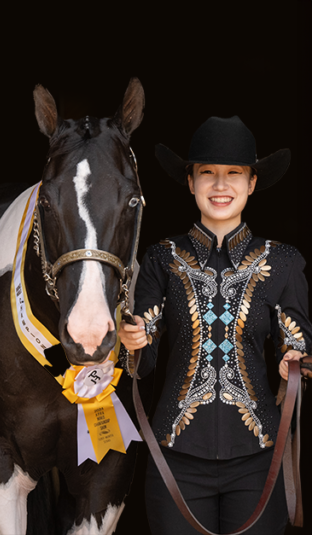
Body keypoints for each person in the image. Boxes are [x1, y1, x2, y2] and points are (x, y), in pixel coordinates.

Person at [117, 116, 308, 534]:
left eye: (233, 174)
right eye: (207, 173)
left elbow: (298, 342)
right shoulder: (161, 259)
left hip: (259, 463)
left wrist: (294, 360)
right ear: (190, 182)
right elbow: (143, 359)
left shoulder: (284, 263)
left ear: (252, 182)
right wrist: (133, 340)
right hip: (175, 462)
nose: (220, 186)